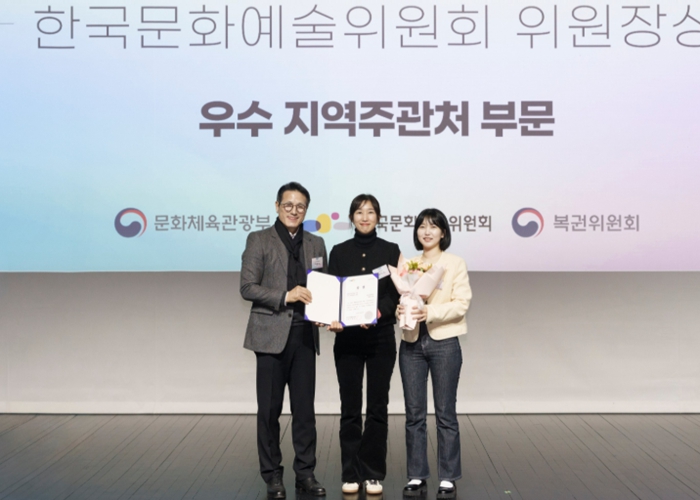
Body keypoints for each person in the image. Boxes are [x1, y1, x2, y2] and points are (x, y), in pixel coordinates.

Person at [240, 182, 328, 498]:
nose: (294, 211)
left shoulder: (316, 243)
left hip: (305, 334)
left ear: (306, 210)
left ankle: (305, 474)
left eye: (300, 206)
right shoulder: (259, 239)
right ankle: (272, 475)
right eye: (288, 205)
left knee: (305, 412)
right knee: (269, 411)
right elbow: (247, 287)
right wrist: (285, 296)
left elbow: (324, 286)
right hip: (270, 336)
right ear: (277, 206)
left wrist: (327, 312)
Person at [326, 194, 401, 496]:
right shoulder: (339, 251)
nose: (365, 217)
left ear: (378, 217)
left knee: (377, 407)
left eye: (370, 212)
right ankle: (351, 472)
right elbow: (332, 293)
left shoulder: (391, 250)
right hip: (347, 340)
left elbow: (396, 293)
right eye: (359, 212)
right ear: (351, 217)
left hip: (380, 338)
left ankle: (372, 473)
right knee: (350, 409)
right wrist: (332, 317)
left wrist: (378, 312)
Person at [398, 208, 472, 500]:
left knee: (445, 413)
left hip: (444, 343)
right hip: (411, 343)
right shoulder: (408, 264)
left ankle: (448, 476)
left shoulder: (455, 263)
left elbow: (461, 304)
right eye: (421, 226)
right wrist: (403, 310)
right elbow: (403, 299)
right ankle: (416, 474)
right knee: (414, 414)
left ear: (443, 232)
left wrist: (428, 312)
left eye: (433, 226)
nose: (426, 232)